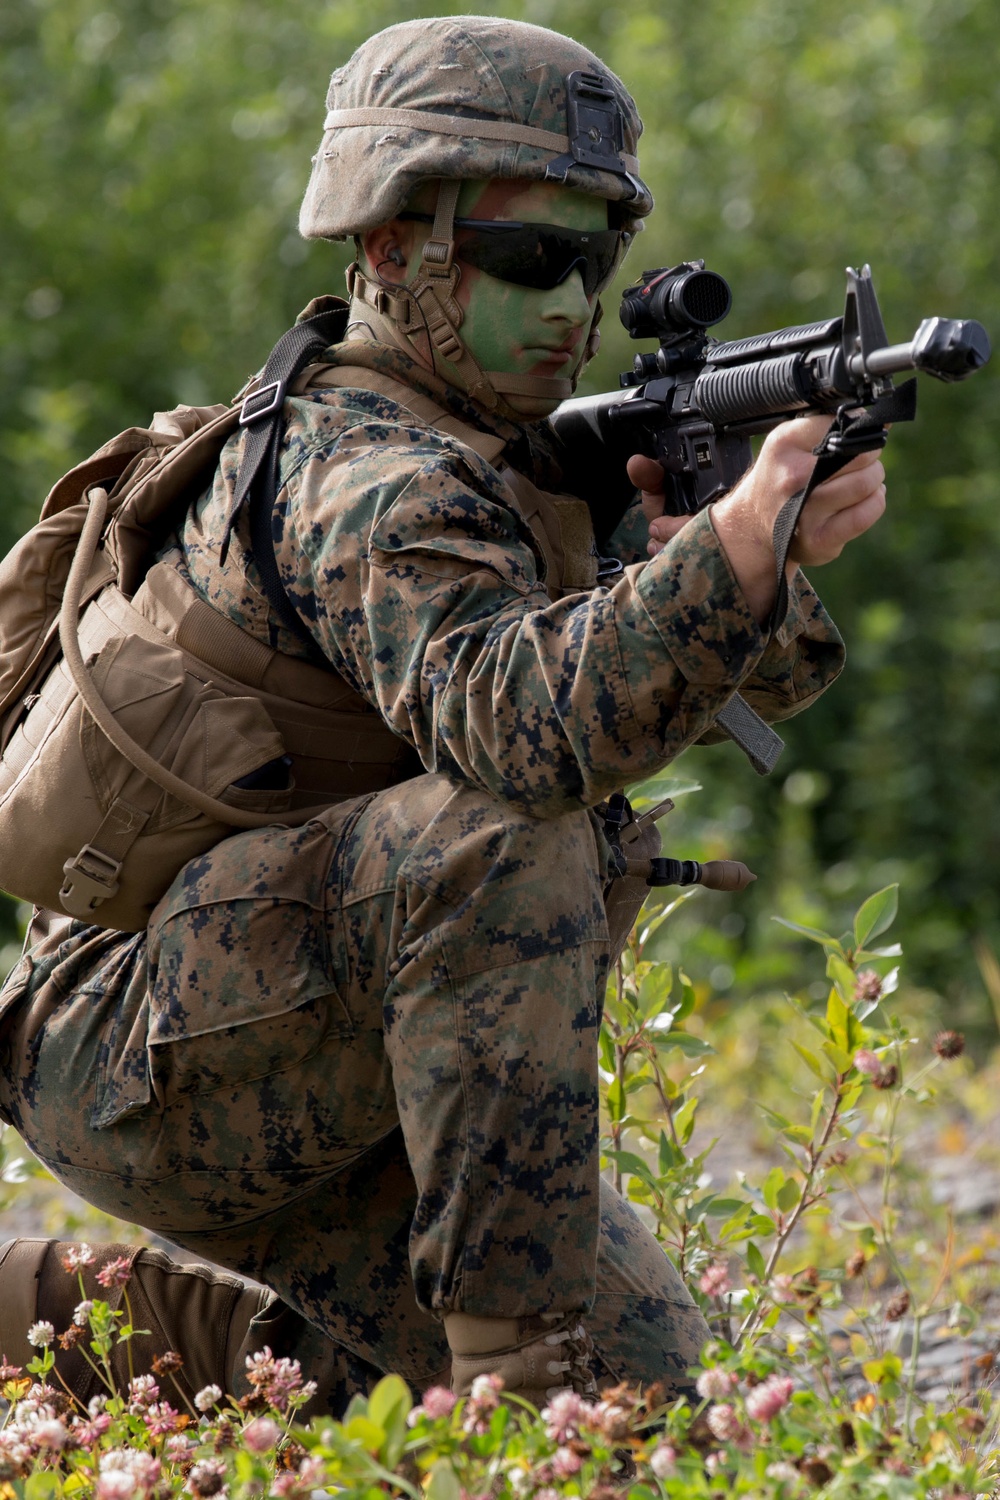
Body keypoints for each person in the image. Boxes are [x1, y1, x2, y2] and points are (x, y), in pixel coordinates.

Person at [0, 16, 885, 1415]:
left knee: (651, 1392)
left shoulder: (505, 460)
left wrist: (743, 551)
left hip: (314, 1011)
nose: (571, 305)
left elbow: (760, 684)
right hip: (137, 1046)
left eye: (593, 261)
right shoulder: (364, 471)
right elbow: (519, 738)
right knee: (501, 831)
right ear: (391, 242)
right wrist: (728, 555)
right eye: (529, 256)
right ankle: (519, 1413)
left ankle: (42, 1325)